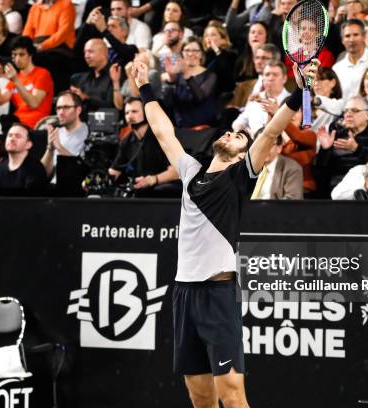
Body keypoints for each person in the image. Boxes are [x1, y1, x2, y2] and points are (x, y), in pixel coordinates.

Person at [130, 55, 318, 408]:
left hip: (218, 295)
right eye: (230, 131)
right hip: (184, 294)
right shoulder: (189, 171)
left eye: (239, 138)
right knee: (200, 397)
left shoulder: (238, 177)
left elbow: (272, 131)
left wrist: (297, 93)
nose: (232, 133)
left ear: (240, 157)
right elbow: (162, 130)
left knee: (231, 394)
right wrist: (143, 85)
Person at [108, 96, 179, 197]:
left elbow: (176, 172)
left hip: (164, 189)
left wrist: (152, 179)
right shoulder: (126, 141)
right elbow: (115, 170)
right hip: (140, 190)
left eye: (134, 111)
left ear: (146, 114)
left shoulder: (161, 136)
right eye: (127, 113)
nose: (129, 116)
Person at [314, 96, 368, 195]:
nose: (348, 114)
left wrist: (357, 149)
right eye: (345, 111)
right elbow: (320, 171)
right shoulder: (336, 134)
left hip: (365, 191)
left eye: (354, 110)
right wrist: (325, 150)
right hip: (335, 189)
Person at [0, 35, 54, 129]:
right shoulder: (16, 77)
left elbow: (34, 103)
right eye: (14, 55)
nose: (17, 59)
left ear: (30, 55)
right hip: (17, 122)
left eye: (21, 54)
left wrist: (16, 80)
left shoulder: (42, 74)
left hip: (36, 124)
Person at [162, 36, 218, 128]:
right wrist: (171, 79)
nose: (191, 54)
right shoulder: (177, 76)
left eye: (195, 51)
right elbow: (168, 103)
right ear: (182, 54)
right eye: (187, 50)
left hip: (202, 128)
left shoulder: (210, 75)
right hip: (179, 127)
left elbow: (200, 97)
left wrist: (187, 74)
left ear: (201, 54)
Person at [232, 60, 289, 137]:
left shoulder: (291, 101)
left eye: (275, 75)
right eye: (267, 74)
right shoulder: (255, 99)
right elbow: (238, 122)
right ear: (262, 79)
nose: (270, 78)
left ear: (284, 78)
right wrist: (241, 133)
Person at [40, 91, 89, 181]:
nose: (61, 112)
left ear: (78, 110)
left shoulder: (89, 133)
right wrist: (50, 149)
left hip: (74, 189)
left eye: (66, 107)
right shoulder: (56, 133)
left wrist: (59, 147)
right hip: (52, 187)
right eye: (58, 108)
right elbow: (42, 174)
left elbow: (81, 171)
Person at [0, 122, 47, 196]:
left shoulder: (35, 168)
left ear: (28, 144)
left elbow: (31, 201)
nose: (12, 139)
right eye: (9, 135)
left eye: (18, 136)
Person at [69, 38, 117, 114]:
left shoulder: (115, 75)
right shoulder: (80, 79)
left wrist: (86, 99)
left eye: (90, 51)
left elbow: (114, 106)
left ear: (105, 53)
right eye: (85, 52)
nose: (86, 56)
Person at [250, 132, 303, 199]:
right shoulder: (247, 166)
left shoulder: (292, 168)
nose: (263, 149)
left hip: (275, 209)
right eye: (260, 144)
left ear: (279, 148)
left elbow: (292, 200)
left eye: (269, 144)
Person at [202, 21, 237, 94]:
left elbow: (227, 75)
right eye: (207, 35)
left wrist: (216, 50)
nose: (209, 38)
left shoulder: (230, 55)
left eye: (213, 35)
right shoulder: (202, 55)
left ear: (223, 40)